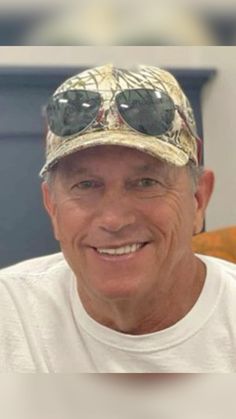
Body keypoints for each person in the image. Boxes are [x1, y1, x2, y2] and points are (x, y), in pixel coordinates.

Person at [0, 63, 235, 373]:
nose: (113, 219)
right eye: (86, 185)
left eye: (146, 183)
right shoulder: (11, 315)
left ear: (198, 199)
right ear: (52, 207)